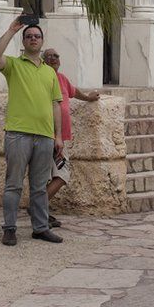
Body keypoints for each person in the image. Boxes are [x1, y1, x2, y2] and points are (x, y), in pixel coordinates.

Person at [0, 18, 64, 246]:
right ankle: (9, 228)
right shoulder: (14, 65)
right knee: (13, 184)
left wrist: (58, 135)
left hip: (44, 136)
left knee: (40, 186)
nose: (33, 39)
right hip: (18, 134)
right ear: (24, 41)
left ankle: (40, 228)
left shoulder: (50, 73)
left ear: (42, 42)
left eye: (37, 36)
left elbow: (55, 104)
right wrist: (12, 30)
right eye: (29, 36)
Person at [39, 48, 100, 228]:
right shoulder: (42, 77)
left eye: (56, 56)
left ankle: (41, 209)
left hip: (61, 138)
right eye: (48, 56)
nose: (53, 59)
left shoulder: (62, 79)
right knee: (61, 175)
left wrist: (88, 98)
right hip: (48, 136)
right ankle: (38, 208)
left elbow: (74, 92)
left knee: (55, 176)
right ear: (43, 61)